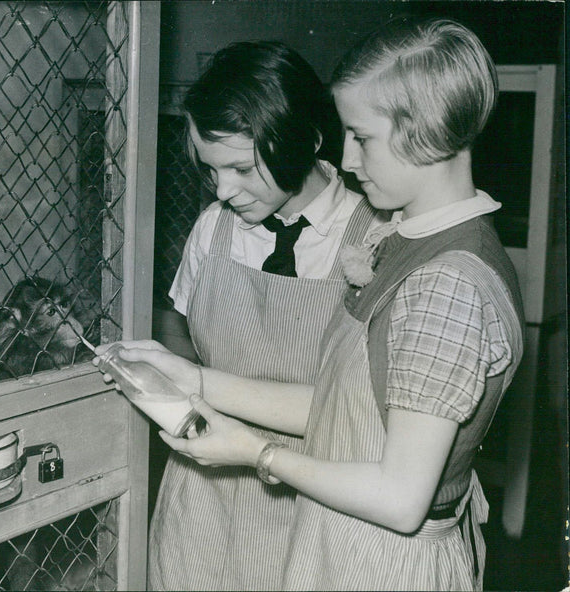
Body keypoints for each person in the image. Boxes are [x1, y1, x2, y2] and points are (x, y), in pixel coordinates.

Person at [98, 18, 524, 591]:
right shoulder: (408, 245)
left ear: (427, 130)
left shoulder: (446, 282)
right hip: (336, 544)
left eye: (362, 137)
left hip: (381, 560)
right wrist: (194, 379)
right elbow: (337, 407)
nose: (347, 158)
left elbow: (401, 498)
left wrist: (258, 454)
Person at [131, 41, 383, 591]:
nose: (223, 190)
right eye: (210, 168)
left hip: (317, 500)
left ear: (305, 138)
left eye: (242, 167)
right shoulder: (213, 228)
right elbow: (182, 325)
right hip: (205, 500)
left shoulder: (375, 237)